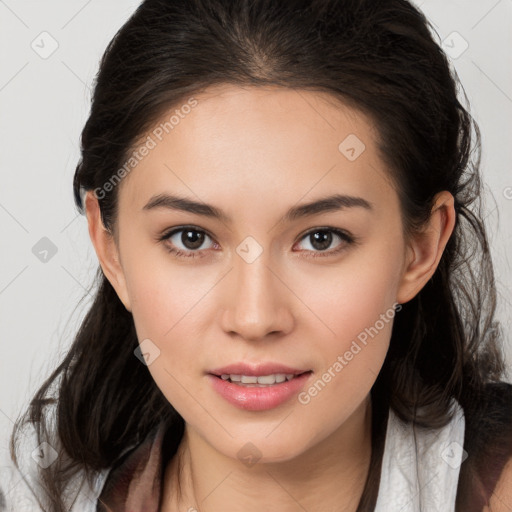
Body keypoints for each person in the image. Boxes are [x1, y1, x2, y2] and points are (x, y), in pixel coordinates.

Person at [2, 0, 511, 511]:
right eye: (191, 238)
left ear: (419, 250)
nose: (254, 318)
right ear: (110, 249)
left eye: (321, 239)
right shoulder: (38, 495)